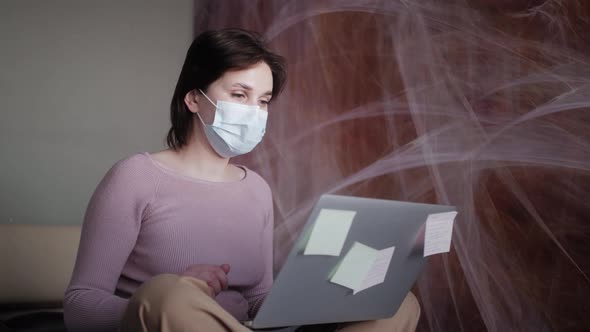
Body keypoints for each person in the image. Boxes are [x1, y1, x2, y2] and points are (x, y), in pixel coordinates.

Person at [63, 28, 420, 332]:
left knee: (397, 303)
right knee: (168, 294)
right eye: (239, 95)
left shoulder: (257, 190)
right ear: (193, 99)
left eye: (262, 101)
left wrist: (325, 292)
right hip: (174, 321)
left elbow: (258, 300)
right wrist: (170, 297)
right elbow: (79, 305)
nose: (254, 112)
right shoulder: (134, 177)